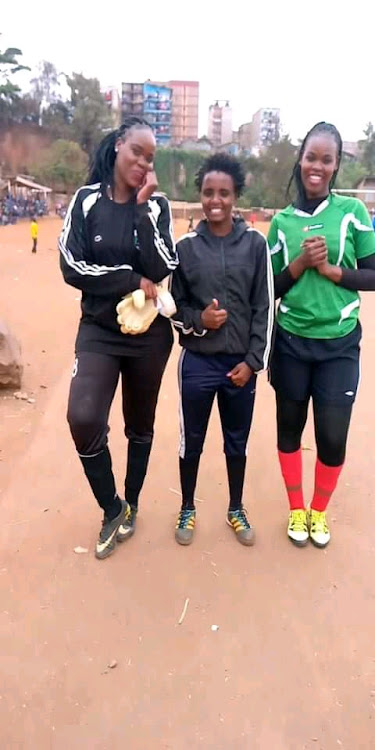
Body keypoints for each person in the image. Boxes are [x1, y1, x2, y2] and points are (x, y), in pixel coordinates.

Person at [59, 116, 178, 560]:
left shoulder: (158, 205)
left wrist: (144, 210)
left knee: (139, 425)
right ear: (117, 148)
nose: (144, 163)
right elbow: (72, 266)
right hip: (99, 332)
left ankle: (132, 503)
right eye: (137, 152)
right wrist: (128, 277)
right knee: (83, 416)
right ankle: (111, 506)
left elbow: (164, 265)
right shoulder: (87, 201)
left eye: (151, 157)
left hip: (149, 337)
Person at [268, 121, 375, 549]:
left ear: (335, 167)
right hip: (291, 341)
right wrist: (297, 266)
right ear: (300, 160)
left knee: (332, 437)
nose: (317, 166)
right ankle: (296, 509)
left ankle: (318, 512)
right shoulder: (280, 223)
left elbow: (373, 274)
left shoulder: (354, 214)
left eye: (326, 159)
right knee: (289, 430)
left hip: (340, 346)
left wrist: (334, 271)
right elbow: (270, 288)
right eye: (311, 157)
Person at [172, 153, 274, 546]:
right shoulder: (186, 248)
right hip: (197, 363)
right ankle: (186, 507)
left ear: (236, 197)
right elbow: (173, 307)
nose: (215, 200)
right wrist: (200, 320)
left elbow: (265, 307)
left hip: (239, 368)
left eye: (224, 193)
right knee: (191, 440)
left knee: (237, 440)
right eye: (208, 192)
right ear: (200, 195)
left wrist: (252, 362)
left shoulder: (254, 245)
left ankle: (235, 507)